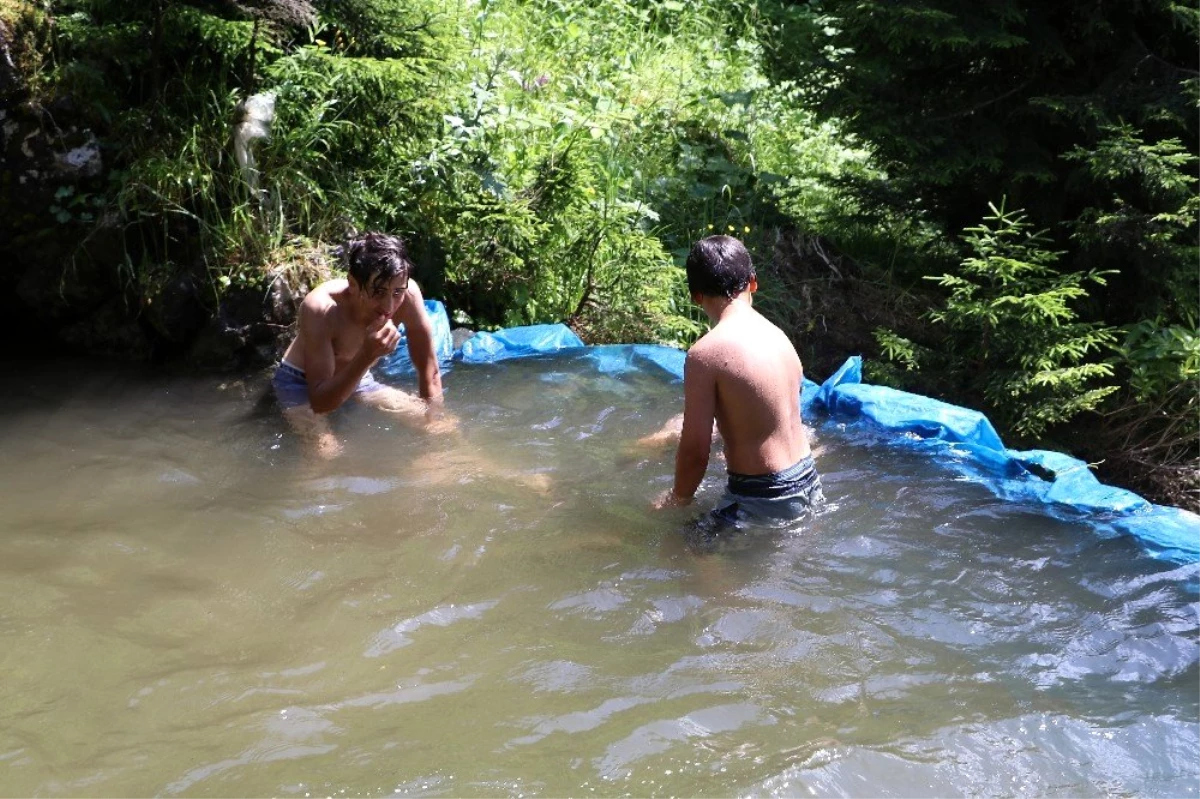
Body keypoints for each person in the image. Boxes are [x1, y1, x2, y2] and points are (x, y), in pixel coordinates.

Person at [652, 235, 823, 545]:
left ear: (695, 296)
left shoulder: (706, 354)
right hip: (809, 483)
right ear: (753, 283)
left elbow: (694, 451)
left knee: (677, 548)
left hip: (763, 496)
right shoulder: (778, 336)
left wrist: (677, 499)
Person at [273, 231, 452, 457]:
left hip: (359, 378)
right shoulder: (321, 308)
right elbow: (320, 403)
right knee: (326, 454)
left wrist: (431, 438)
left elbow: (431, 373)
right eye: (378, 292)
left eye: (397, 292)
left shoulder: (408, 296)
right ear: (353, 284)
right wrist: (367, 355)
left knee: (441, 424)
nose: (389, 305)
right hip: (300, 382)